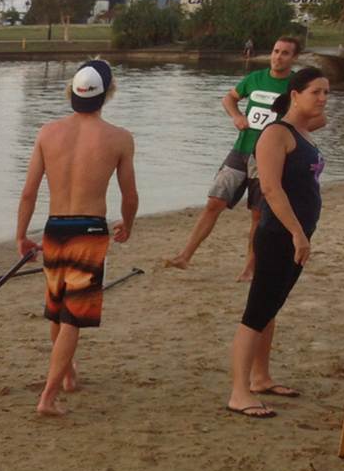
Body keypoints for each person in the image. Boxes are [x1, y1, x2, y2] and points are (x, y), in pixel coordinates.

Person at [15, 59, 138, 417]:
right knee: (72, 318)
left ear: (72, 92)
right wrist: (128, 223)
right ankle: (48, 397)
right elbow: (129, 194)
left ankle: (67, 376)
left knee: (58, 310)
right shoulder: (119, 137)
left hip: (55, 228)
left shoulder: (47, 133)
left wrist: (21, 234)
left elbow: (28, 192)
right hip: (89, 231)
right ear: (107, 93)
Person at [226, 67, 329, 419]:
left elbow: (304, 182)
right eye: (316, 91)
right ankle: (239, 392)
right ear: (295, 94)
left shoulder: (303, 132)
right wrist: (297, 232)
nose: (323, 98)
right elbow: (270, 189)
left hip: (297, 233)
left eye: (326, 92)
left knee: (271, 307)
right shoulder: (275, 134)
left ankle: (260, 377)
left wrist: (303, 232)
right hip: (277, 235)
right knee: (257, 311)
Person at [164, 36, 300, 279]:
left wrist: (289, 135)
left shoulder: (296, 86)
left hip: (268, 158)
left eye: (285, 53)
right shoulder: (255, 78)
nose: (278, 57)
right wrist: (236, 116)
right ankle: (184, 256)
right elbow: (228, 99)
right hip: (240, 151)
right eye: (276, 51)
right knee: (214, 202)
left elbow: (315, 118)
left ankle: (250, 267)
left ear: (294, 58)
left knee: (258, 214)